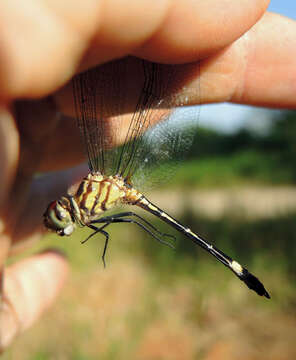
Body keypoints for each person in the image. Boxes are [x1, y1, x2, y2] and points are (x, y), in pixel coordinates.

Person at [1, 0, 295, 350]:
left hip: (122, 188)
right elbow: (112, 227)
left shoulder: (90, 197)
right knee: (128, 220)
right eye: (62, 220)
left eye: (61, 216)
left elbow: (119, 225)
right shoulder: (87, 203)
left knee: (136, 219)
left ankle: (239, 270)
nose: (65, 220)